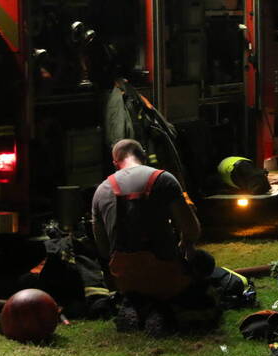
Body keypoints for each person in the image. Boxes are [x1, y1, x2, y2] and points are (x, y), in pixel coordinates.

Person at [91, 139, 219, 336]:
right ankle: (164, 308)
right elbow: (191, 231)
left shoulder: (101, 191)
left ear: (115, 162)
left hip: (126, 279)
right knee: (205, 261)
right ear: (143, 155)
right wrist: (185, 242)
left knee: (136, 286)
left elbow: (102, 248)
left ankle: (136, 304)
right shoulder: (164, 179)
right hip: (166, 274)